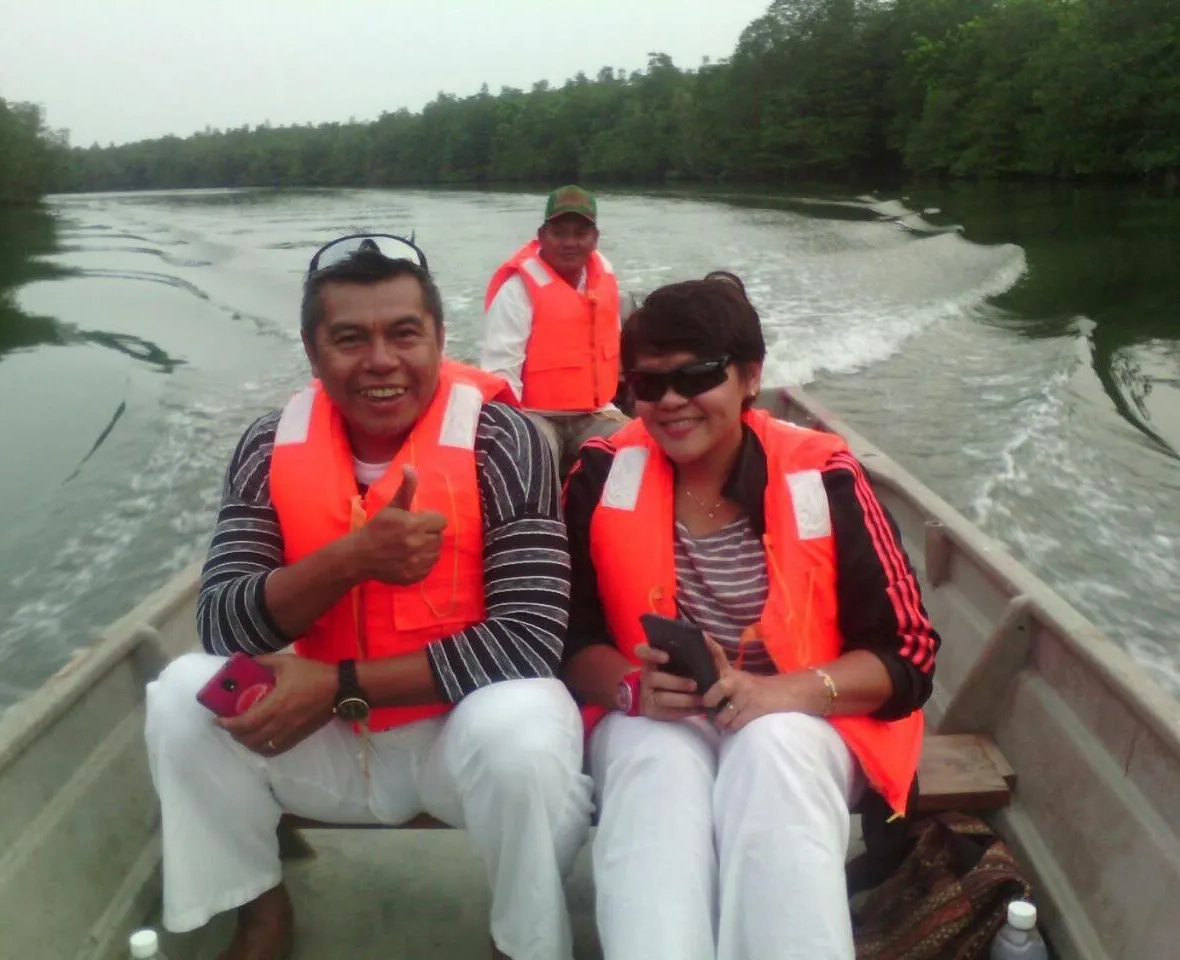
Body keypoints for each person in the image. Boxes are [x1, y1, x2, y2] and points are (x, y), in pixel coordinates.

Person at [145, 235, 594, 960]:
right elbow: (222, 617)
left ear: (440, 340)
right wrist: (350, 560)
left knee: (529, 729)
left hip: (459, 745)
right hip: (320, 747)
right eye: (350, 338)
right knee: (181, 695)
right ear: (313, 351)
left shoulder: (505, 440)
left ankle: (522, 944)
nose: (381, 360)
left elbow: (531, 637)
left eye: (404, 333)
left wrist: (338, 686)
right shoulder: (266, 446)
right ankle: (260, 915)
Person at [561, 276, 940, 960]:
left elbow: (908, 655)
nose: (671, 402)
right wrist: (630, 688)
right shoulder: (598, 475)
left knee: (773, 749)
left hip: (809, 721)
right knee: (654, 760)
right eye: (648, 385)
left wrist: (777, 694)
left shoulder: (825, 477)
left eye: (696, 376)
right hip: (658, 717)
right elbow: (570, 637)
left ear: (750, 377)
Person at [481, 185, 631, 474]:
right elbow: (499, 373)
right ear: (541, 236)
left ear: (595, 238)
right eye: (559, 232)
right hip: (535, 415)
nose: (570, 242)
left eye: (580, 233)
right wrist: (516, 428)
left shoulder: (604, 279)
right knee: (532, 456)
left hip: (595, 412)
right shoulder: (518, 289)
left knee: (640, 446)